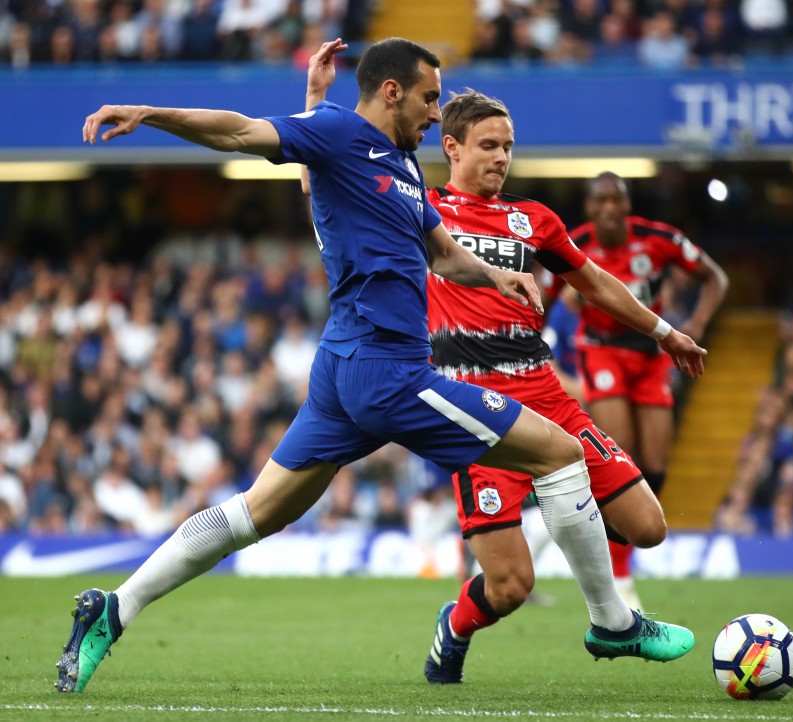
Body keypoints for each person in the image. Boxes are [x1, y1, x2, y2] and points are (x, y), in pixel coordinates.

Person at [55, 37, 705, 694]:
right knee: (561, 454)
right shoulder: (339, 131)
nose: (435, 113)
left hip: (344, 373)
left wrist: (492, 278)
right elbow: (241, 132)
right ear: (391, 91)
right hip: (387, 371)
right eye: (429, 99)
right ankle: (613, 620)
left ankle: (117, 606)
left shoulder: (398, 166)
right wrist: (150, 111)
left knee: (258, 512)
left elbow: (440, 253)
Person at [300, 57, 707, 684]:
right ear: (452, 146)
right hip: (471, 407)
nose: (501, 157)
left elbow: (595, 283)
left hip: (544, 393)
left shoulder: (534, 219)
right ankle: (457, 627)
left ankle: (608, 610)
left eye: (509, 146)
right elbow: (319, 186)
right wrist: (312, 104)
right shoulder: (418, 205)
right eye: (488, 145)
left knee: (647, 527)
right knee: (512, 585)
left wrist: (665, 332)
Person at [567, 172, 728, 610]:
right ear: (589, 208)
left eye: (616, 199)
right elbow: (552, 293)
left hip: (653, 353)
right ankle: (618, 578)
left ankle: (617, 558)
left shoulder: (659, 240)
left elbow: (716, 277)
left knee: (655, 469)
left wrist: (694, 323)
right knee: (621, 455)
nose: (608, 208)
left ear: (627, 204)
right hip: (602, 352)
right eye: (599, 201)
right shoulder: (573, 242)